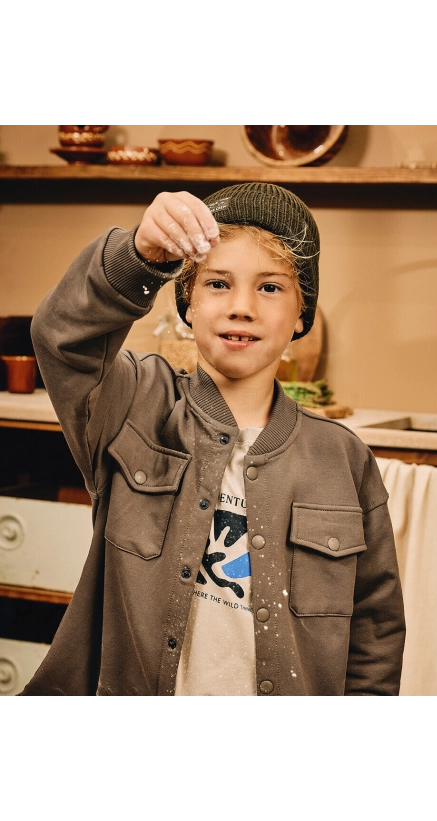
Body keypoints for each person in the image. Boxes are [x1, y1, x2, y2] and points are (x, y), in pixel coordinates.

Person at [22, 182, 405, 696]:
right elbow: (62, 336)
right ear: (189, 304)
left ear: (301, 315)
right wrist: (140, 256)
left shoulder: (343, 458)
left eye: (270, 287)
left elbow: (375, 635)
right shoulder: (132, 406)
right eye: (218, 283)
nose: (241, 307)